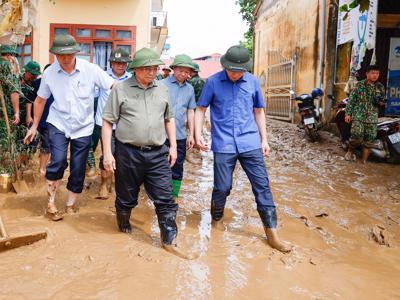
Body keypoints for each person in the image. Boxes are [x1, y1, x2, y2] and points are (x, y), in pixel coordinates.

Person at [195, 45, 291, 253]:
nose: (236, 74)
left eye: (240, 71)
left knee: (262, 186)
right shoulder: (212, 82)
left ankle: (272, 234)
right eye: (232, 71)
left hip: (250, 142)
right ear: (225, 67)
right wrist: (197, 135)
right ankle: (216, 218)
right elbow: (201, 109)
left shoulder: (253, 81)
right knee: (222, 187)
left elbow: (258, 111)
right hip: (223, 143)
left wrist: (264, 139)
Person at [24, 34, 115, 221]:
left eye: (69, 55)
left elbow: (113, 86)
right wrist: (34, 126)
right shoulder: (49, 73)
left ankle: (70, 205)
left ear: (76, 52)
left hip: (84, 126)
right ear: (55, 55)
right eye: (60, 55)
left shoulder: (91, 70)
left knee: (78, 168)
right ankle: (51, 202)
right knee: (57, 161)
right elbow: (40, 100)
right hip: (58, 122)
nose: (65, 59)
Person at [102, 47, 179, 251]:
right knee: (126, 196)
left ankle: (169, 239)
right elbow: (108, 121)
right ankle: (124, 225)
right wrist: (108, 153)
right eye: (147, 69)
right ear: (135, 69)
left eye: (154, 68)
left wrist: (174, 146)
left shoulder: (162, 89)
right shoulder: (120, 89)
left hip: (157, 152)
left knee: (165, 197)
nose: (151, 72)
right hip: (128, 153)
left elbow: (168, 118)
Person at [95, 48, 132, 199]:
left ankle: (117, 184)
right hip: (105, 124)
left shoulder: (131, 79)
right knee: (107, 154)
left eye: (123, 63)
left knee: (122, 156)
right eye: (117, 63)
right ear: (111, 63)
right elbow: (94, 95)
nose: (120, 66)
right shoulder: (102, 77)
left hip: (124, 125)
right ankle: (104, 184)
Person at [162, 54, 196, 201]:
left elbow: (190, 111)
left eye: (187, 71)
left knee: (177, 166)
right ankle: (160, 194)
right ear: (174, 69)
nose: (184, 74)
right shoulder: (161, 85)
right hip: (160, 135)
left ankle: (173, 196)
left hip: (180, 135)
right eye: (181, 70)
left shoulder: (190, 89)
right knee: (159, 166)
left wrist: (191, 134)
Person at [344, 65, 385, 163]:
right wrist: (348, 114)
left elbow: (382, 102)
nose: (375, 75)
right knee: (356, 135)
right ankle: (350, 151)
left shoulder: (380, 87)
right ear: (367, 74)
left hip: (372, 117)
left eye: (377, 73)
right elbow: (351, 100)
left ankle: (364, 161)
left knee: (369, 140)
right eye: (373, 73)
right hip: (359, 115)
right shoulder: (359, 85)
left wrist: (380, 102)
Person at [29, 64, 54, 176]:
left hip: (50, 121)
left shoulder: (58, 86)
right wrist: (28, 117)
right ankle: (27, 165)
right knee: (31, 143)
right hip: (36, 121)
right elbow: (29, 101)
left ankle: (42, 169)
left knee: (46, 146)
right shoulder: (36, 84)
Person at [0, 46, 20, 171]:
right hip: (4, 113)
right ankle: (5, 174)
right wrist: (17, 112)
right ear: (9, 56)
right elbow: (14, 91)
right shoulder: (8, 66)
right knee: (6, 143)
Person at [21, 61, 41, 127]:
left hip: (31, 117)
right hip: (19, 115)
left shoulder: (37, 83)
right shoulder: (18, 81)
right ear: (26, 71)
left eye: (36, 75)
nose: (34, 77)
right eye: (32, 74)